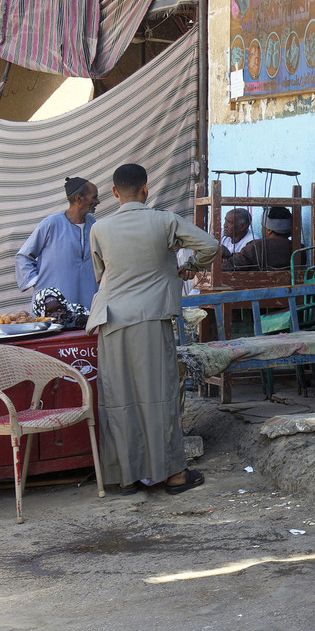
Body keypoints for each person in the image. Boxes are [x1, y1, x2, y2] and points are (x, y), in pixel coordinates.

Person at [87, 163, 217, 495]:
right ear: (145, 189)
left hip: (111, 319)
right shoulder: (164, 221)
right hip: (152, 317)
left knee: (120, 398)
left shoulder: (99, 229)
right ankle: (172, 475)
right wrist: (188, 266)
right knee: (159, 396)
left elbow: (101, 276)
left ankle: (127, 477)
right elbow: (210, 246)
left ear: (115, 193)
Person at [15, 176, 100, 310]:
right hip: (53, 310)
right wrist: (41, 286)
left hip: (88, 309)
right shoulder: (51, 224)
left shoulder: (92, 224)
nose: (98, 201)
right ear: (79, 198)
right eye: (94, 197)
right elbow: (23, 256)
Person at [226, 206, 295, 271]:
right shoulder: (298, 249)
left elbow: (229, 266)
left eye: (262, 226)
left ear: (269, 230)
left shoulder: (256, 247)